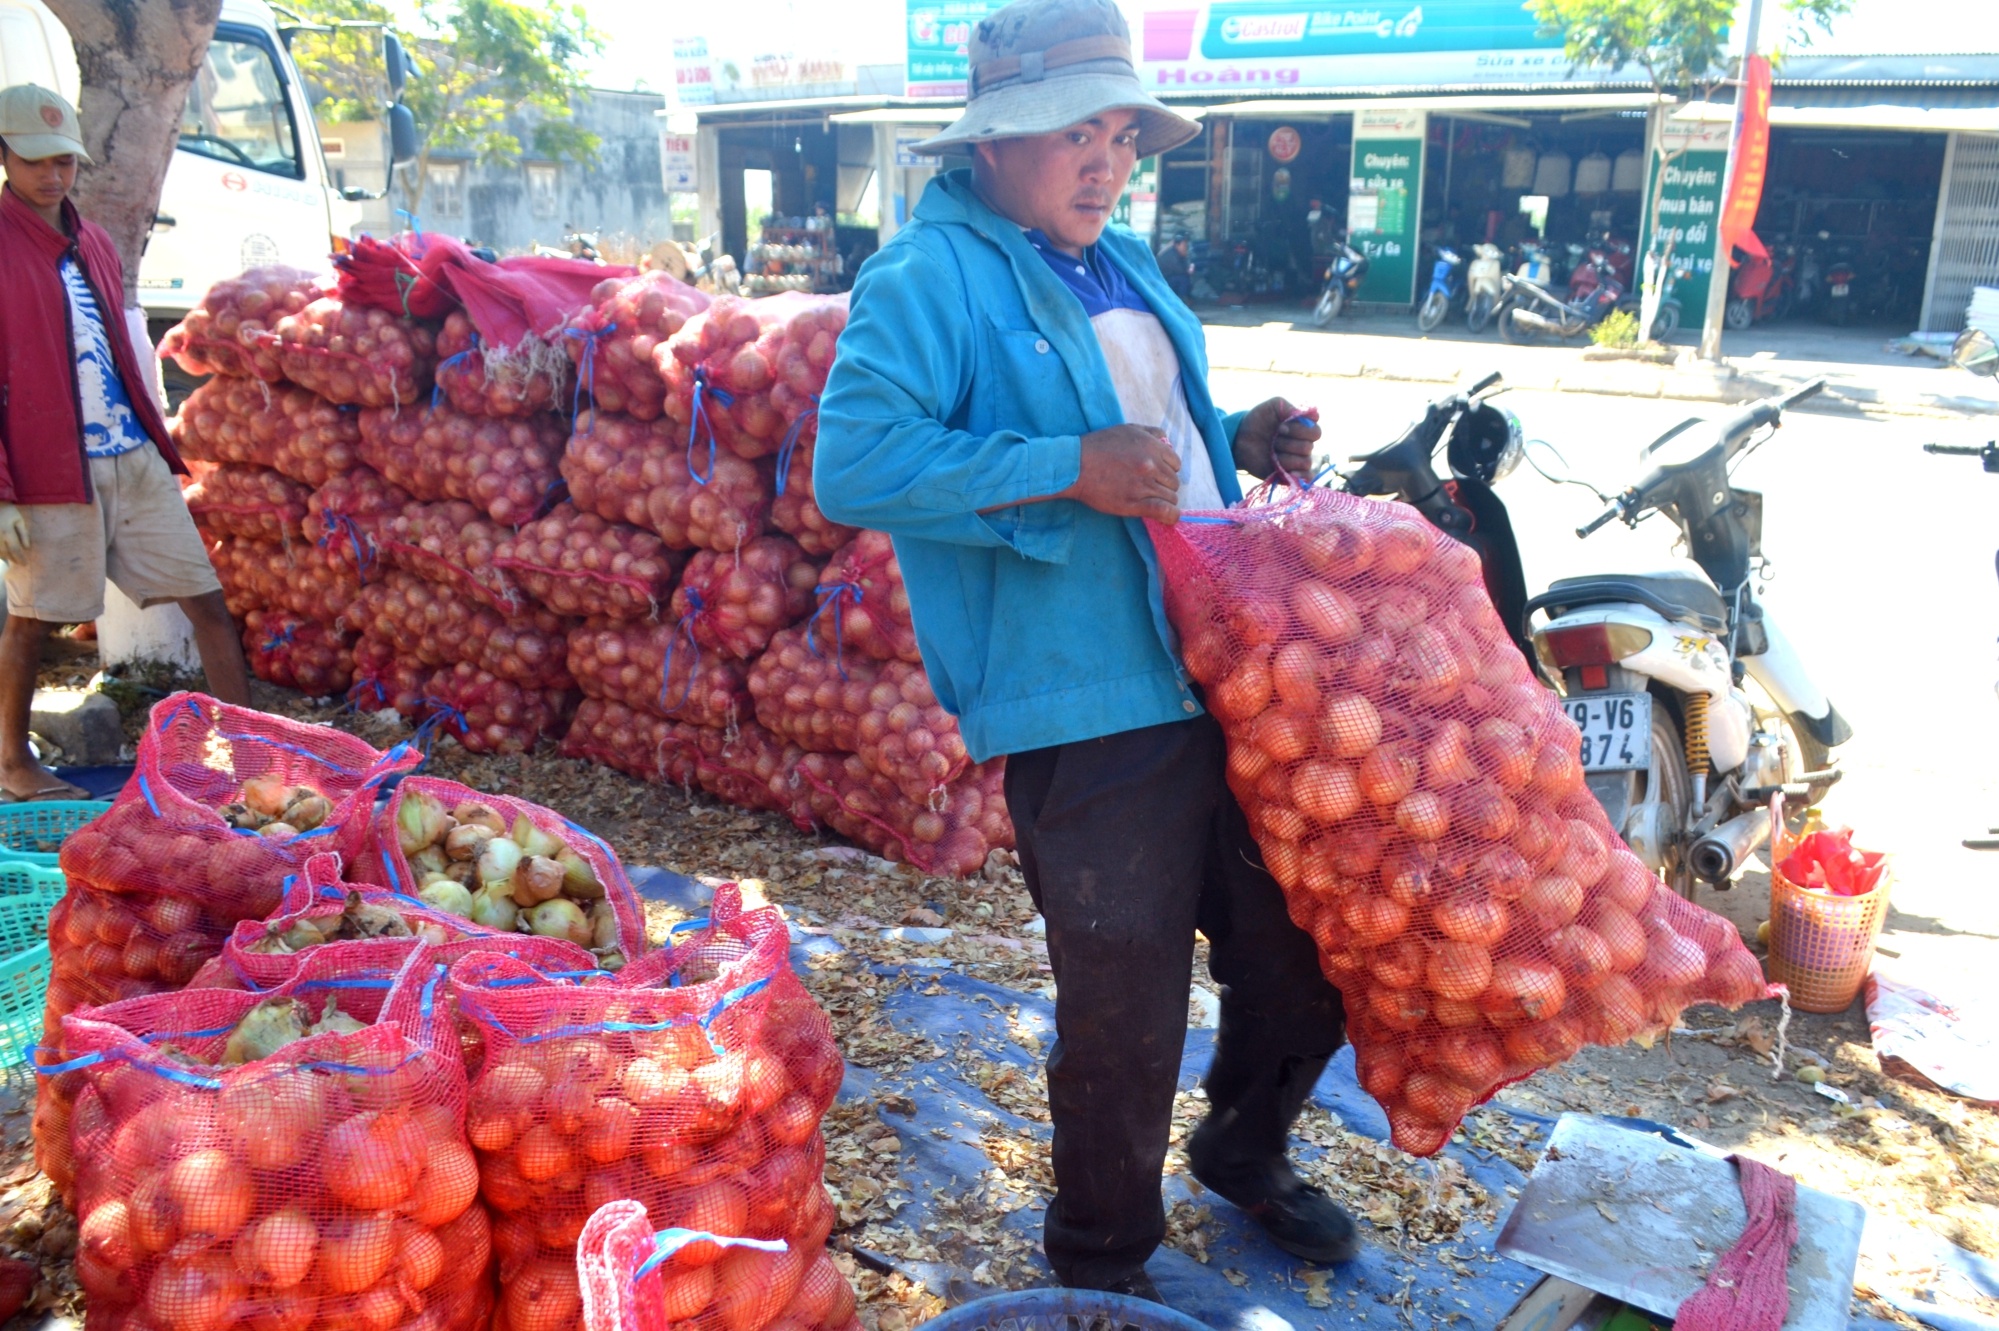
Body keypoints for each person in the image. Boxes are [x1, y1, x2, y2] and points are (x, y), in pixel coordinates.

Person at [814, 0, 1355, 1302]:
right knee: (1124, 998)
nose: (1102, 160)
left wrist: (1234, 432)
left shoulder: (1120, 262)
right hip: (1085, 701)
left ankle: (1240, 1142)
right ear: (989, 145)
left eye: (1118, 133)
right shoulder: (927, 275)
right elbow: (855, 461)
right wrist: (1068, 472)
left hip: (1222, 669)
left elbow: (1138, 428)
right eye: (1070, 132)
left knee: (1301, 942)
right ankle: (1103, 1254)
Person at [0, 84, 250, 800]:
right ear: (5, 156)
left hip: (127, 450)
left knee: (205, 599)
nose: (52, 175)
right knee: (32, 617)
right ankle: (12, 763)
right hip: (51, 468)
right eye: (35, 159)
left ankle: (254, 748)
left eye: (64, 161)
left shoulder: (95, 240)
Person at [1156, 235, 1195, 303]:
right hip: (1163, 280)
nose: (1185, 248)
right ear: (1177, 245)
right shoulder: (1170, 254)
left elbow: (1185, 265)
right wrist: (1189, 268)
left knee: (1186, 278)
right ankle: (1182, 299)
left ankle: (1186, 298)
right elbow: (1181, 270)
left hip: (1170, 277)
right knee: (1183, 279)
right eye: (1184, 246)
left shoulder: (1178, 252)